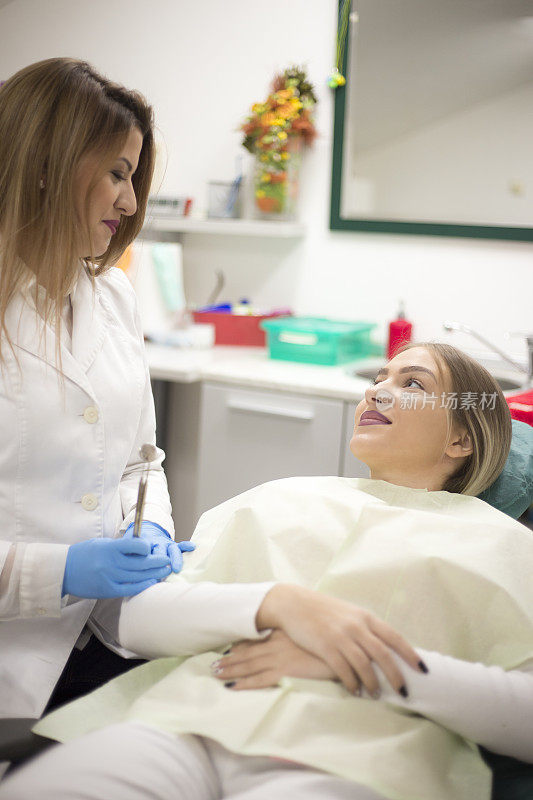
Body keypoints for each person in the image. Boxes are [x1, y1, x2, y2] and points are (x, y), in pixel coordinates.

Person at [2, 341, 532, 800]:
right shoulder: (281, 497)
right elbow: (135, 624)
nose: (376, 392)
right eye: (377, 378)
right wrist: (271, 604)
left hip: (357, 756)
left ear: (460, 440)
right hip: (184, 727)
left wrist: (358, 663)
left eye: (412, 383)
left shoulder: (504, 544)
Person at [0, 57, 194, 721]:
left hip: (107, 636)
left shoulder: (111, 295)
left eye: (133, 178)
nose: (131, 202)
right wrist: (56, 571)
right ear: (47, 162)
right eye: (117, 172)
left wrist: (157, 535)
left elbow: (143, 461)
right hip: (13, 659)